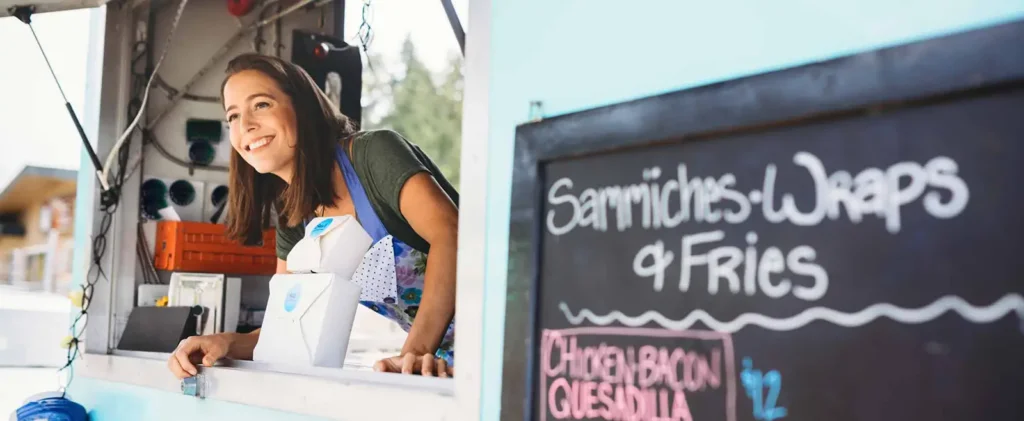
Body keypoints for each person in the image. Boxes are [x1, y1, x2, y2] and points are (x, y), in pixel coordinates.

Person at [166, 53, 459, 378]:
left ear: (303, 109)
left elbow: (451, 235)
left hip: (515, 327)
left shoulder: (374, 154)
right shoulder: (294, 217)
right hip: (448, 367)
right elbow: (287, 325)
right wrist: (223, 342)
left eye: (261, 105)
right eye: (232, 116)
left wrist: (414, 353)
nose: (245, 125)